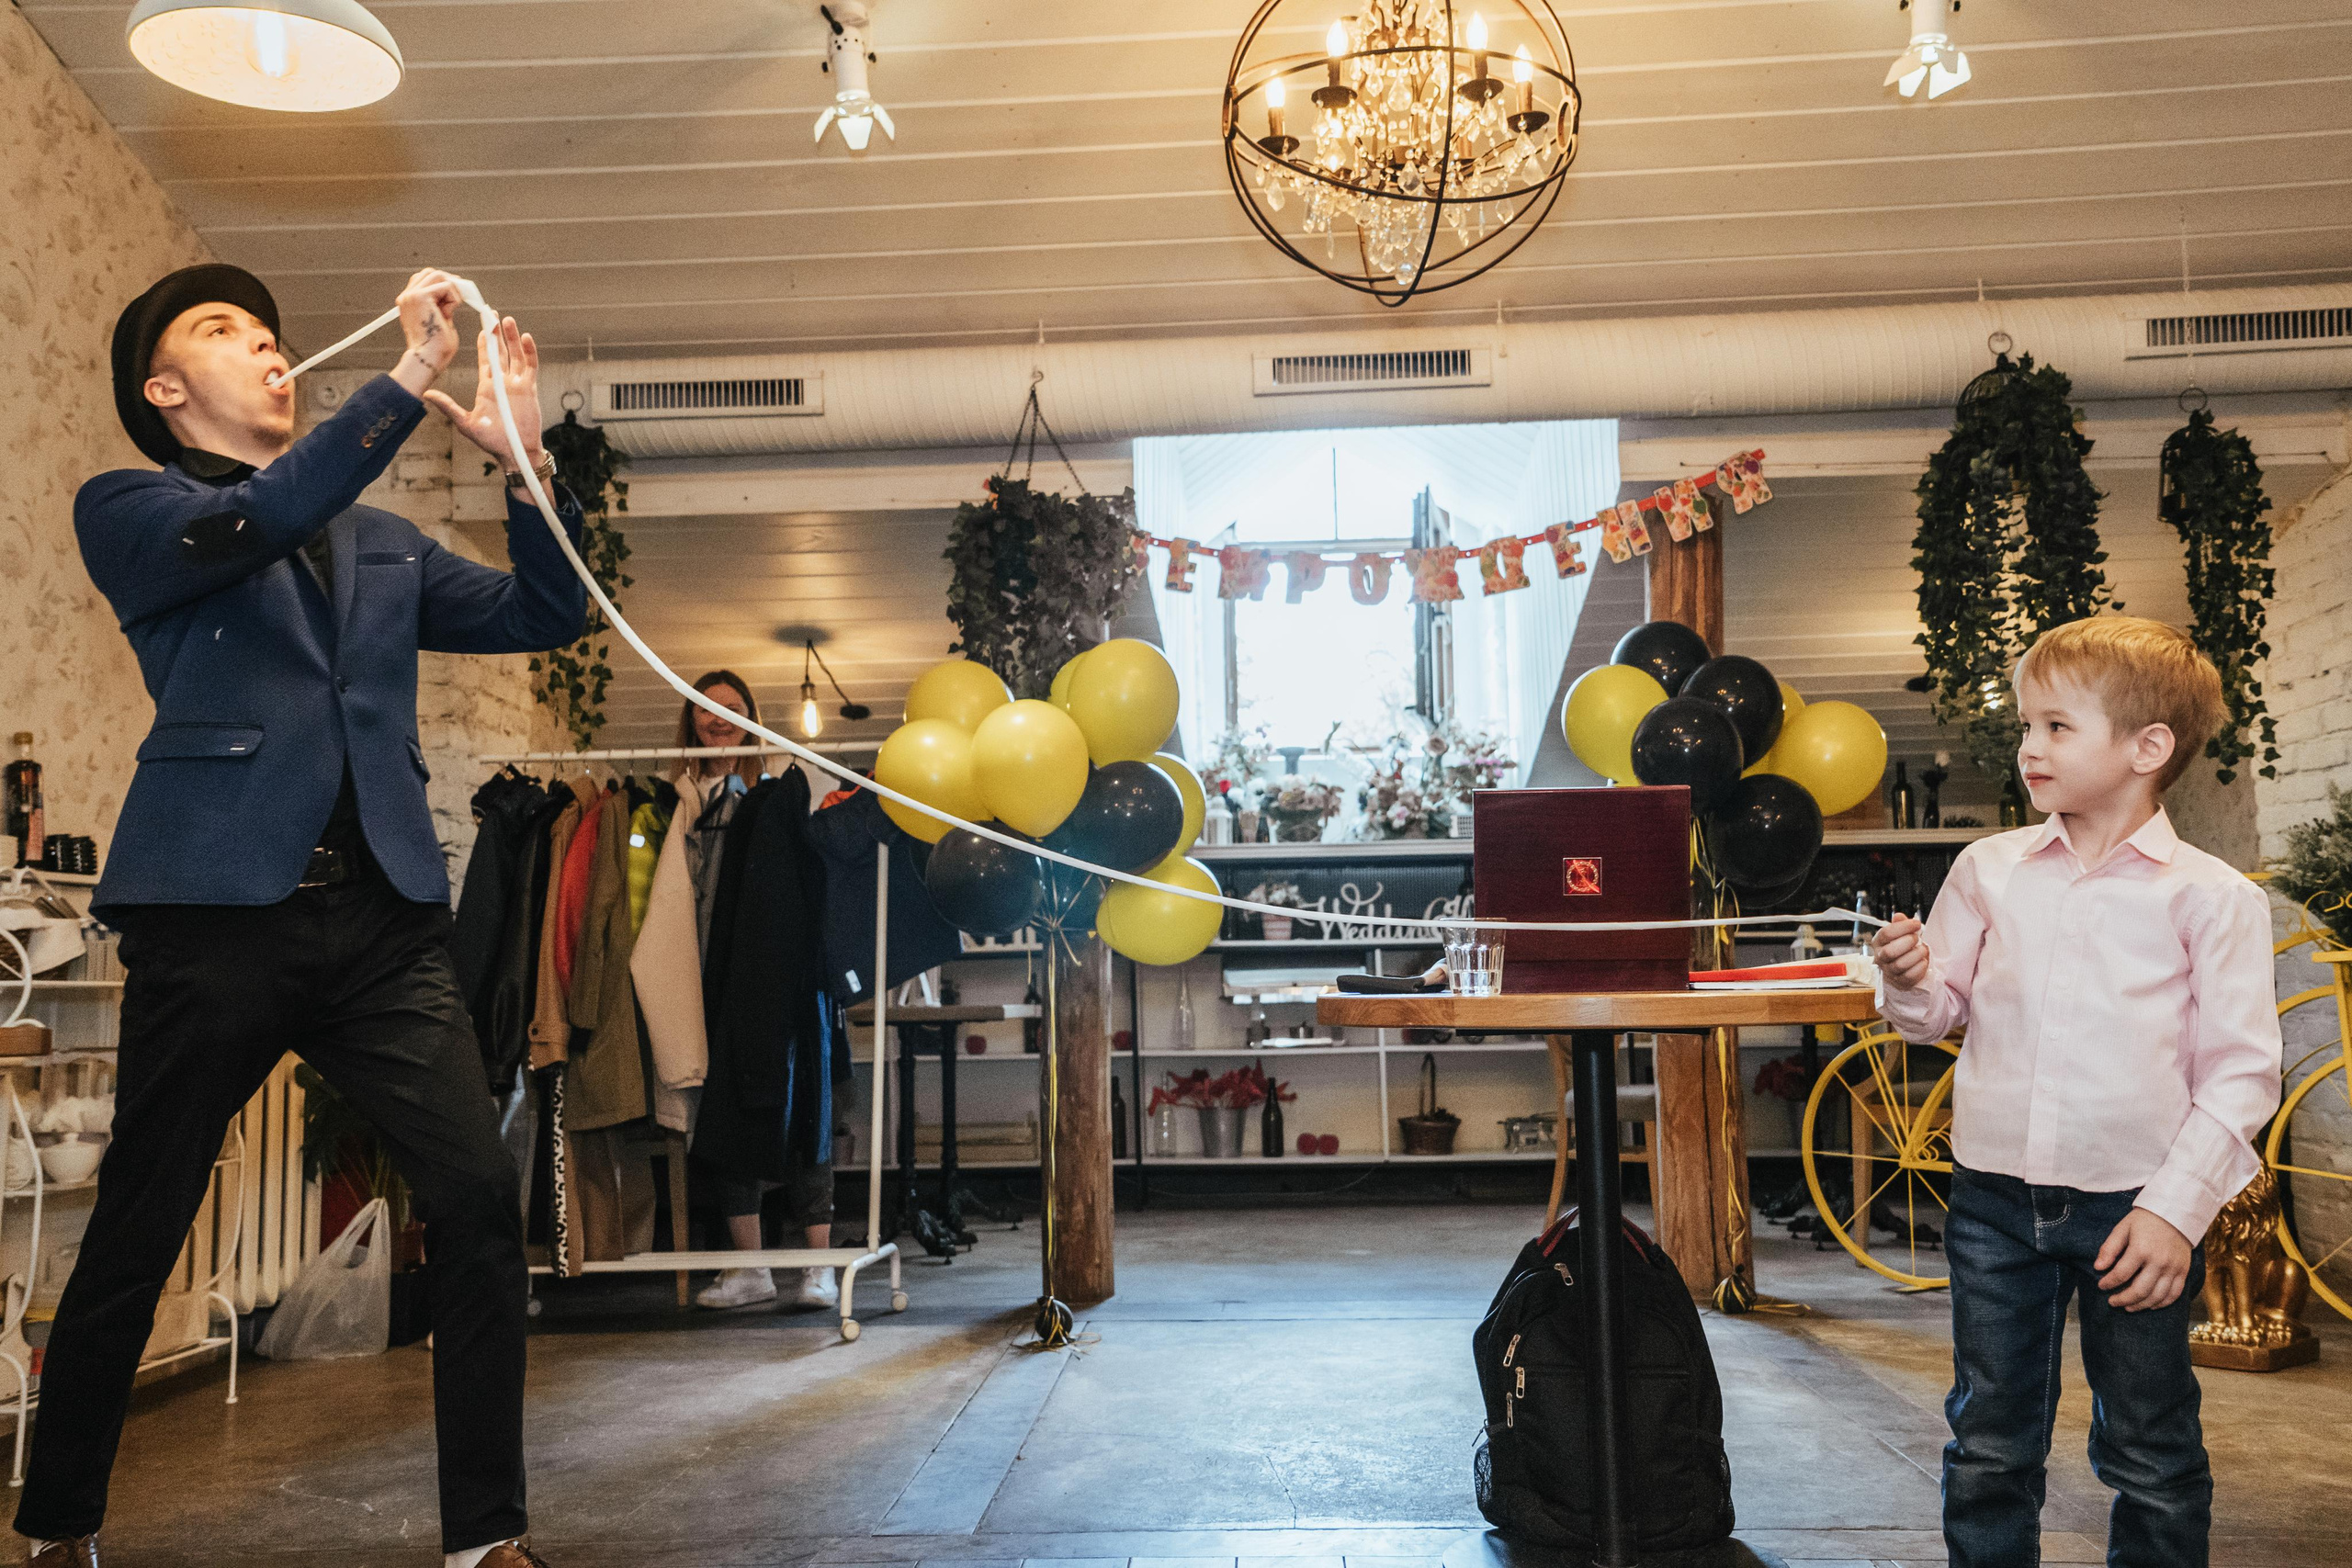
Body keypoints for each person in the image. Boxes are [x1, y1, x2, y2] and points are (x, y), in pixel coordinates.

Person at [16, 265, 588, 1568]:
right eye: (223, 331)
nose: (263, 345)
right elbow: (261, 518)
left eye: (269, 330)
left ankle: (483, 1536)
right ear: (165, 394)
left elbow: (544, 613)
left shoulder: (383, 542)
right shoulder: (131, 508)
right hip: (214, 912)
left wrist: (523, 459)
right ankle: (58, 1526)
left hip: (384, 920)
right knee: (140, 1222)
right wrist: (406, 380)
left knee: (479, 1200)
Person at [1867, 615, 2282, 1568]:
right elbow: (1936, 1013)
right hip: (1989, 1203)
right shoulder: (1987, 870)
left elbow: (2241, 1073)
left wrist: (2175, 1216)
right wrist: (1904, 974)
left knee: (2148, 1447)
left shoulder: (2213, 899)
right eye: (2025, 725)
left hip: (2135, 1213)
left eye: (2056, 727)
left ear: (2147, 748)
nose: (2027, 747)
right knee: (1988, 1440)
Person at [669, 674, 840, 1314]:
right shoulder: (673, 799)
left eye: (733, 709)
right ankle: (751, 1265)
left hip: (779, 973)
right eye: (708, 709)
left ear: (751, 718)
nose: (720, 719)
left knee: (805, 1108)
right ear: (689, 719)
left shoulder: (774, 798)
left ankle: (816, 1266)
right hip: (703, 974)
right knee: (726, 1111)